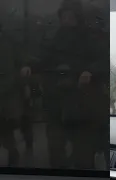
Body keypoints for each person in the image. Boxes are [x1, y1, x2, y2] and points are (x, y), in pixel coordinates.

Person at [23, 0, 107, 169]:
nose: (66, 20)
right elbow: (44, 58)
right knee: (55, 146)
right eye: (64, 16)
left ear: (77, 17)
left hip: (83, 101)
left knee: (83, 152)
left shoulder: (91, 36)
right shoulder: (56, 37)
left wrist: (90, 71)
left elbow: (104, 60)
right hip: (57, 100)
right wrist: (30, 66)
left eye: (70, 16)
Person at [0, 23, 26, 166]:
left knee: (6, 124)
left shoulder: (10, 42)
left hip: (7, 90)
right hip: (8, 88)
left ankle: (12, 151)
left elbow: (20, 62)